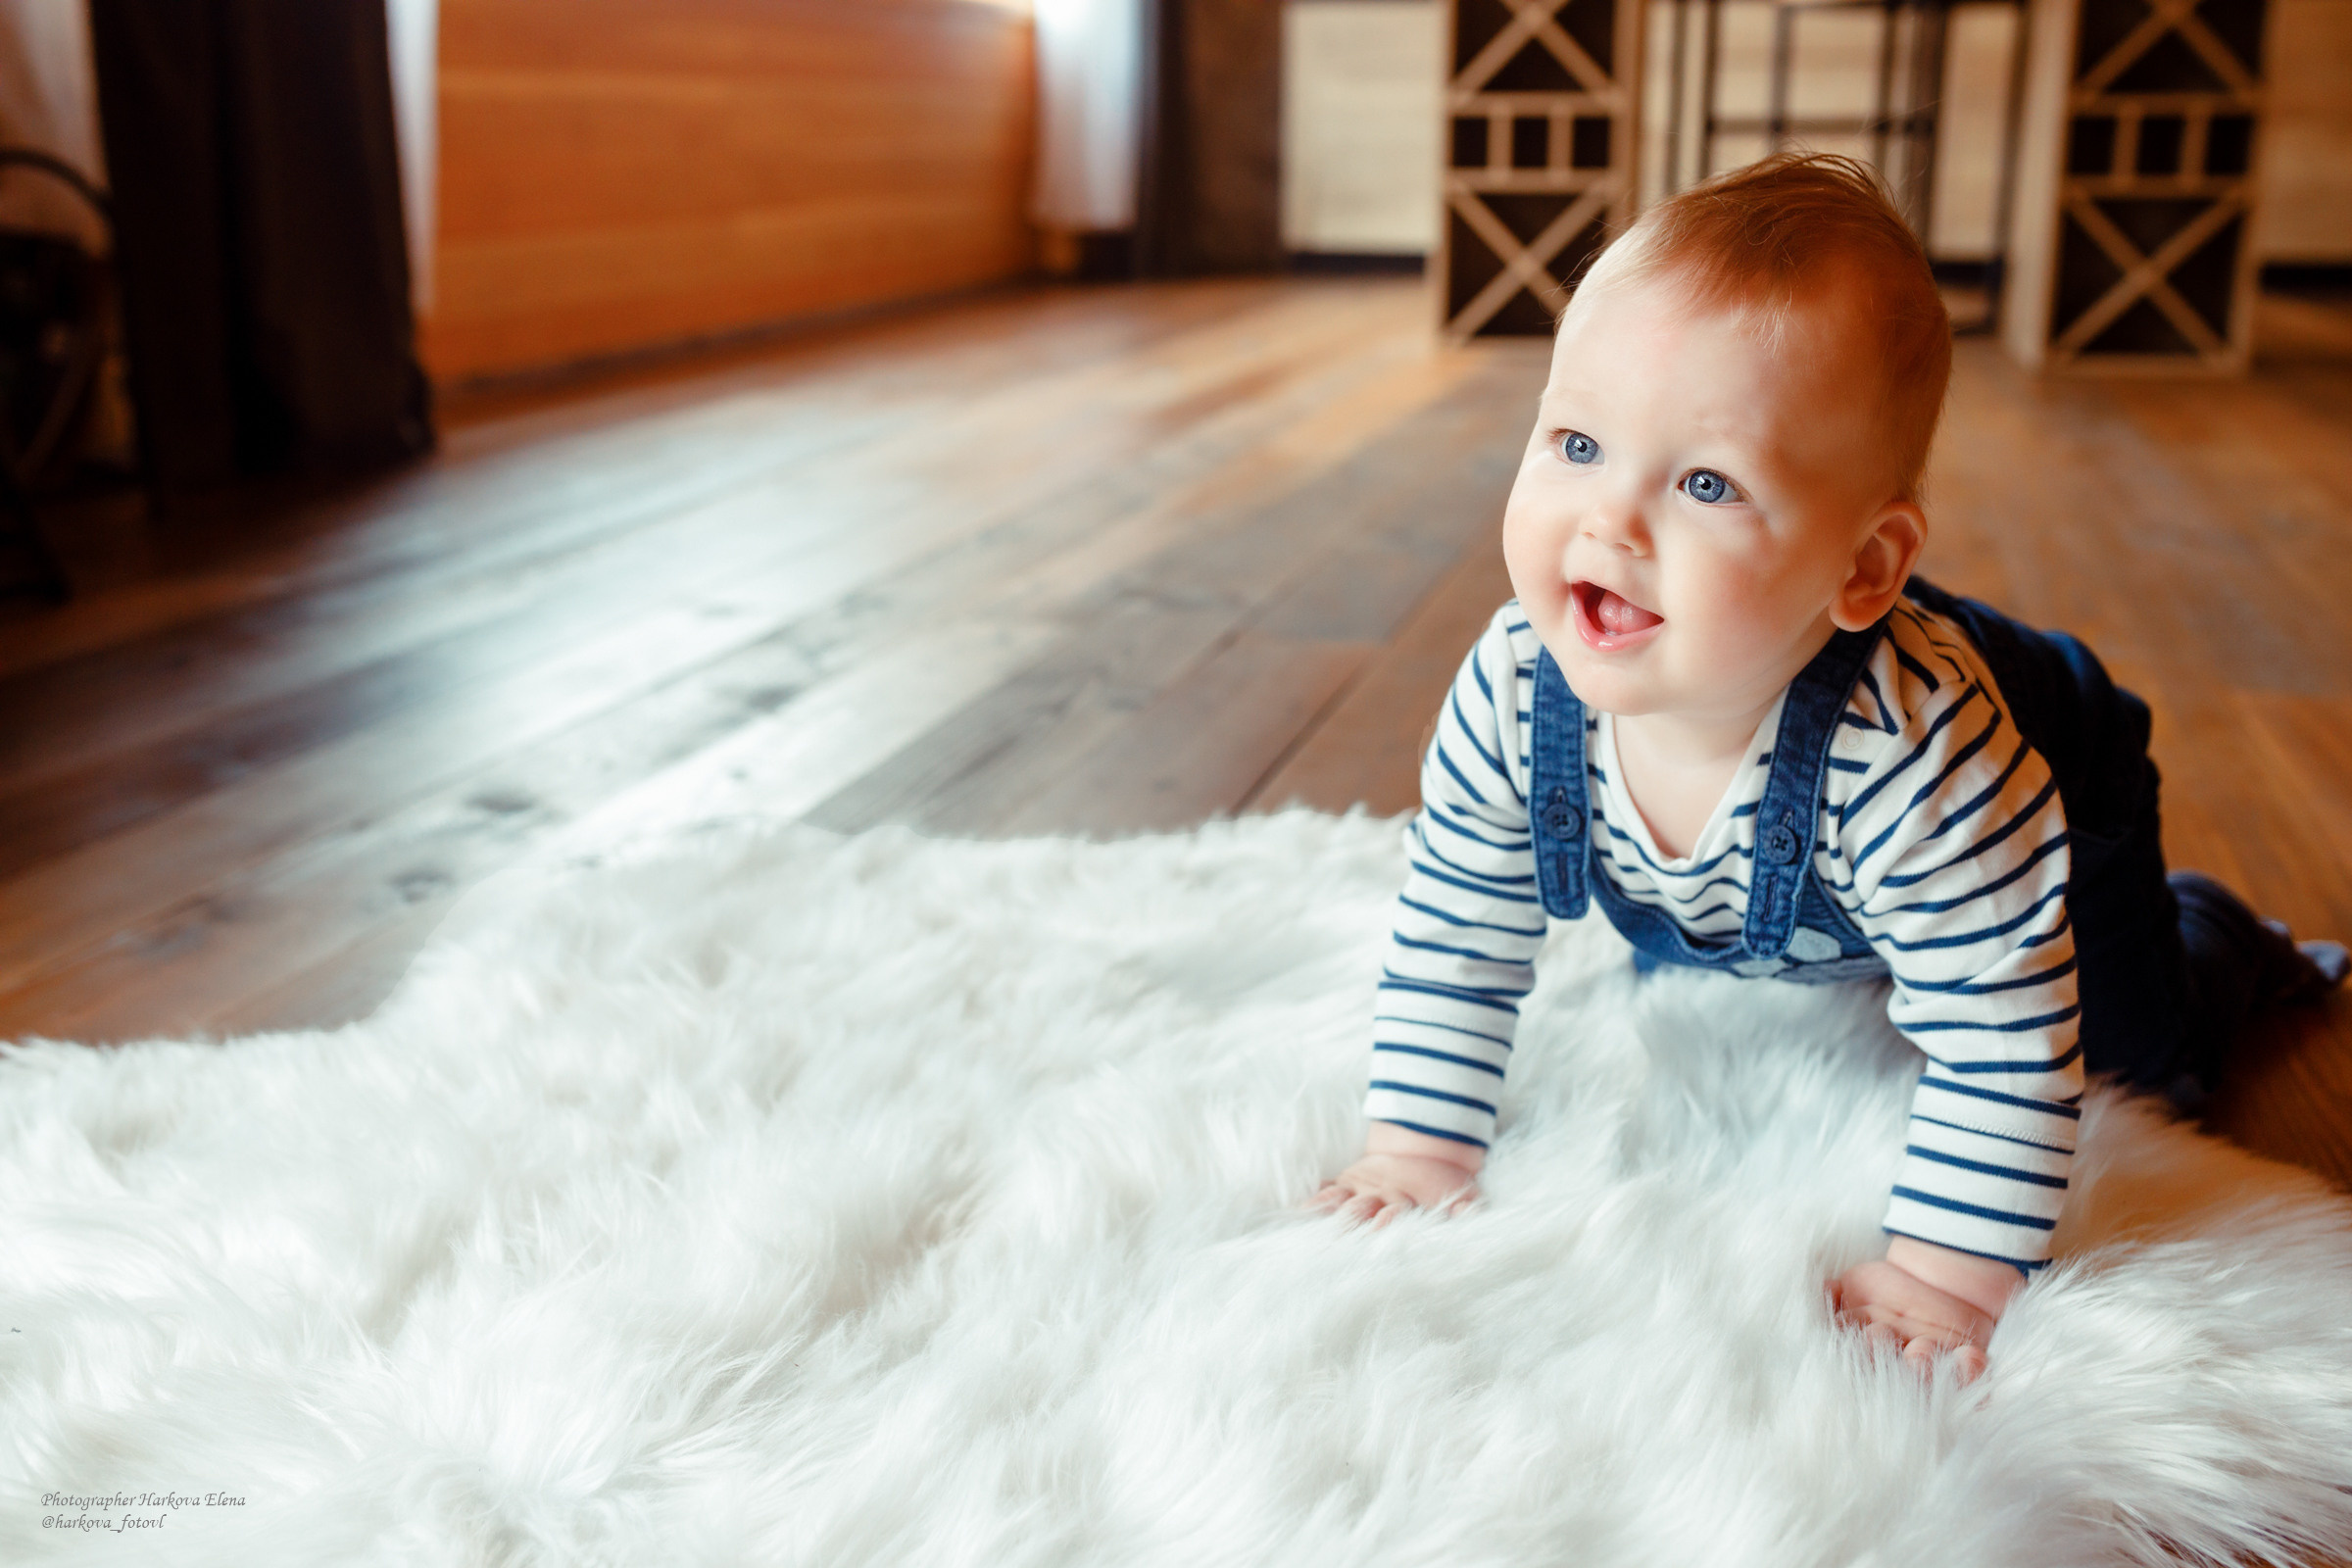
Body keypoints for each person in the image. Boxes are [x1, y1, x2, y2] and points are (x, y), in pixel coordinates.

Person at [1312, 153, 2347, 1383]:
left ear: (1864, 568)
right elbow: (1456, 927)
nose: (1610, 522)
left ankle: (2216, 934)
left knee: (2133, 1056)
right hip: (1802, 813)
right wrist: (1420, 1149)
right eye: (1576, 442)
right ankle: (1833, 918)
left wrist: (1941, 1278)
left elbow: (2001, 1040)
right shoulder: (1518, 682)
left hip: (2059, 789)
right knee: (1707, 942)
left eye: (1705, 483)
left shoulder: (1922, 760)